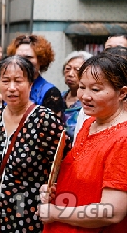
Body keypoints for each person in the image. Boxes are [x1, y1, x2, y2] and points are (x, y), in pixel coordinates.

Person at [39, 52, 127, 233]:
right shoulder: (90, 123)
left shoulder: (123, 138)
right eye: (82, 87)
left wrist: (56, 212)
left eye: (95, 89)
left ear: (122, 93)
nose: (84, 96)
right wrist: (57, 188)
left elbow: (111, 211)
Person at [0, 55, 68, 232]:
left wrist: (52, 190)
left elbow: (66, 159)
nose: (11, 88)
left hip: (30, 212)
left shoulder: (44, 119)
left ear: (30, 84)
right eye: (5, 81)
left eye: (18, 81)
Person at [7, 34, 64, 116]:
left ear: (41, 60)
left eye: (28, 57)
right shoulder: (9, 88)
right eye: (18, 57)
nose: (23, 62)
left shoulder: (51, 93)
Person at [61, 51, 91, 142]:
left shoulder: (89, 102)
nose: (70, 74)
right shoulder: (57, 97)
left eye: (77, 70)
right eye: (67, 69)